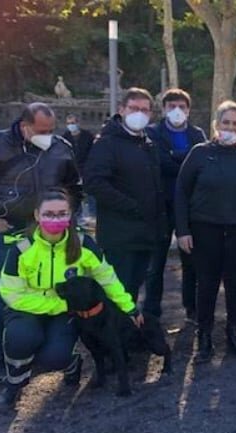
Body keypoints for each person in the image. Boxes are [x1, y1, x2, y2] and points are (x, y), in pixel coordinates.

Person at [0, 190, 139, 407]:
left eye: (61, 213)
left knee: (55, 357)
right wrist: (58, 304)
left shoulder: (83, 243)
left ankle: (71, 363)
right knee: (21, 339)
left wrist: (130, 308)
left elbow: (107, 279)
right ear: (37, 215)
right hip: (28, 309)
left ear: (70, 214)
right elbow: (11, 293)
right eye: (49, 214)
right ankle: (14, 384)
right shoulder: (22, 248)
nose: (55, 219)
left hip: (66, 313)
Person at [0, 103, 80, 381]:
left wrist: (67, 217)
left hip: (52, 232)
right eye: (41, 131)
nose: (47, 136)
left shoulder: (61, 148)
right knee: (5, 294)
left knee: (51, 286)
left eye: (51, 130)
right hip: (11, 231)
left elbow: (75, 187)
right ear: (24, 126)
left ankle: (48, 348)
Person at [176, 101, 236, 362]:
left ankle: (234, 332)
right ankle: (204, 337)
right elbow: (181, 192)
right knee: (207, 283)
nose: (231, 128)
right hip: (205, 228)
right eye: (226, 123)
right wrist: (183, 230)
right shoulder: (199, 153)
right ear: (216, 125)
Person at [84, 87, 167, 308]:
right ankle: (116, 329)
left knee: (133, 290)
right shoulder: (106, 143)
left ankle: (129, 326)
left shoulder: (148, 144)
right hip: (119, 235)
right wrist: (130, 206)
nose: (139, 113)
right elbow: (94, 183)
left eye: (144, 110)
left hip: (144, 233)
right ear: (122, 110)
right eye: (134, 108)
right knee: (118, 292)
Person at [145, 88, 207, 320]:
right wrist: (184, 160)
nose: (177, 111)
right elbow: (159, 162)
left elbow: (201, 164)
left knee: (192, 261)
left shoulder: (197, 134)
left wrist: (173, 156)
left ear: (189, 110)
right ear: (163, 109)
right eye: (172, 106)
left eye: (182, 106)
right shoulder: (152, 133)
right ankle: (152, 310)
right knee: (156, 263)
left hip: (190, 207)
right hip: (161, 205)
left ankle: (192, 308)